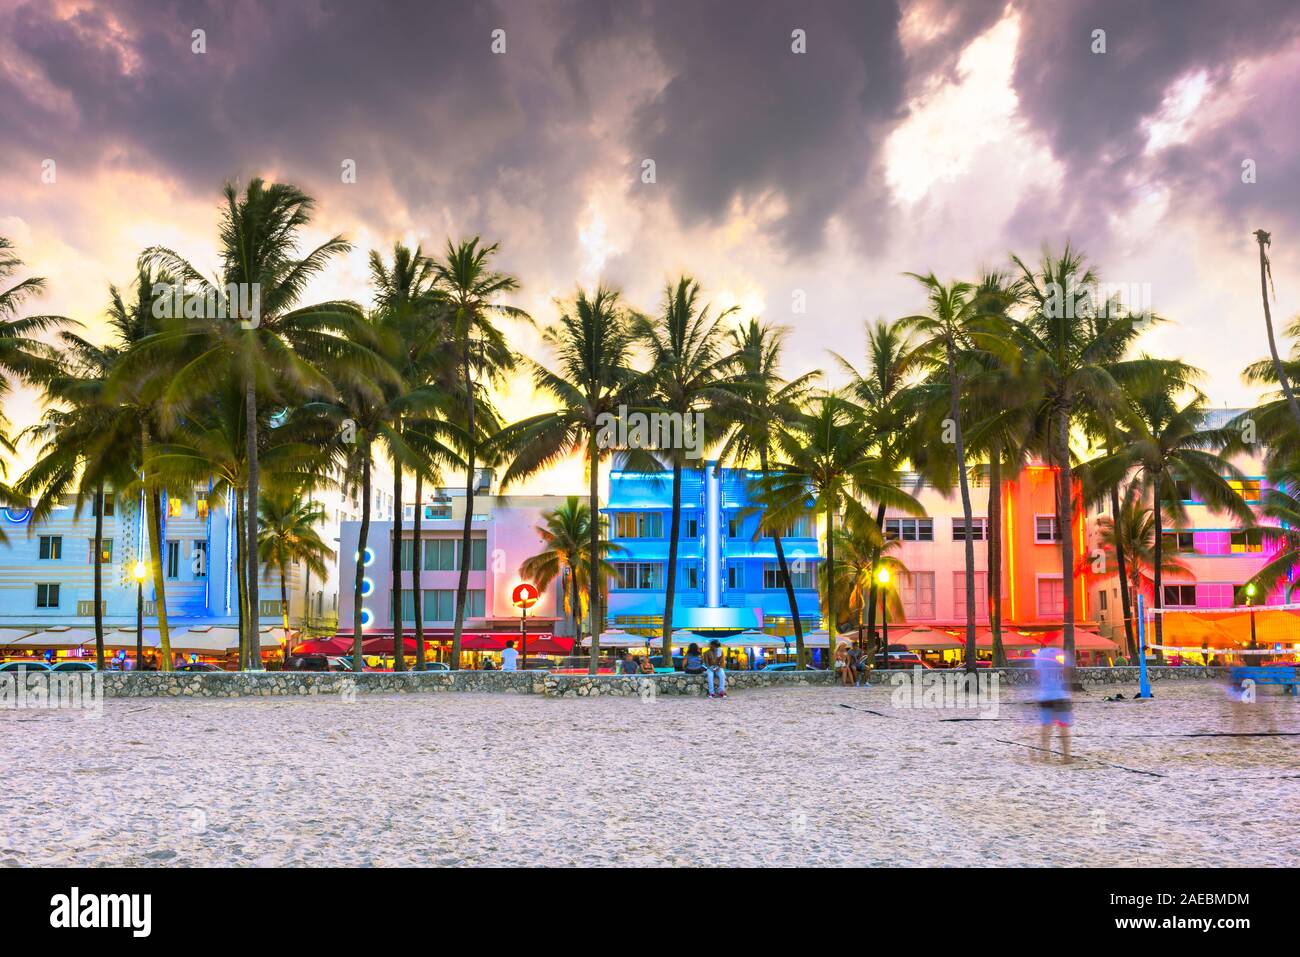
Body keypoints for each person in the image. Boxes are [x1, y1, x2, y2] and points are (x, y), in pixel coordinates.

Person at [1033, 647, 1073, 763]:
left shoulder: (1039, 655)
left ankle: (1045, 756)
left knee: (1046, 727)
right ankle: (1066, 756)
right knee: (1063, 726)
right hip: (1061, 695)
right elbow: (1066, 673)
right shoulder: (1062, 653)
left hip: (1045, 695)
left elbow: (1037, 674)